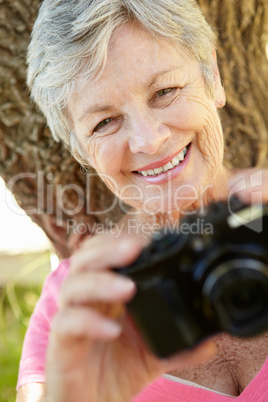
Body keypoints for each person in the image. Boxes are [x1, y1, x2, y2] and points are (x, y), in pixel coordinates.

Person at [16, 0, 268, 401]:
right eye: (104, 122)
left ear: (213, 78)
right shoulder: (74, 311)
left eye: (165, 91)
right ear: (81, 149)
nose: (148, 139)